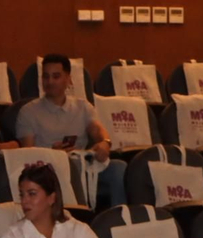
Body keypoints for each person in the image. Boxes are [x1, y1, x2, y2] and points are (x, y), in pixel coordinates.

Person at [15, 54, 126, 210]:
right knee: (70, 167)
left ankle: (117, 220)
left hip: (82, 166)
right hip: (49, 170)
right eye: (46, 76)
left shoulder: (82, 106)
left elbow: (97, 129)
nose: (50, 82)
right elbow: (27, 153)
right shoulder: (28, 111)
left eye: (56, 76)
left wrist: (105, 143)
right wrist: (52, 154)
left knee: (118, 167)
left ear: (68, 79)